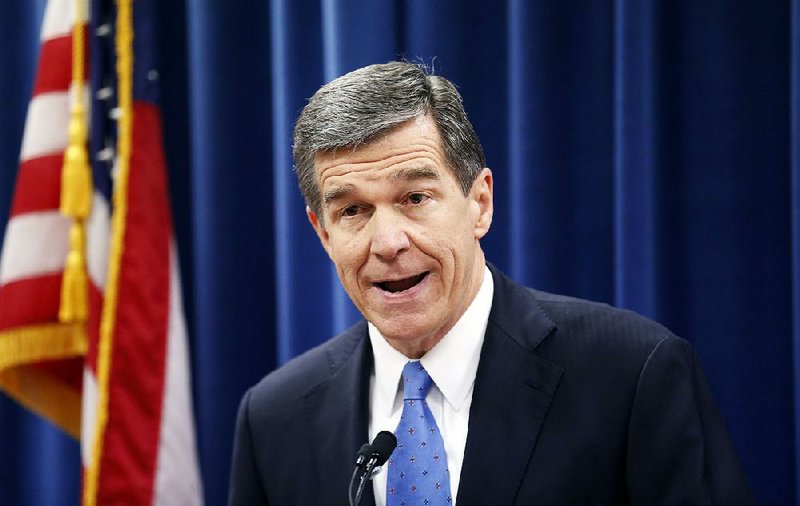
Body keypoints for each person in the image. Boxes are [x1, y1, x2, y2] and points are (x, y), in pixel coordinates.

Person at [228, 61, 753, 505]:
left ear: (479, 203)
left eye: (415, 198)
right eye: (353, 211)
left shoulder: (633, 374)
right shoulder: (273, 420)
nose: (387, 242)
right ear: (322, 233)